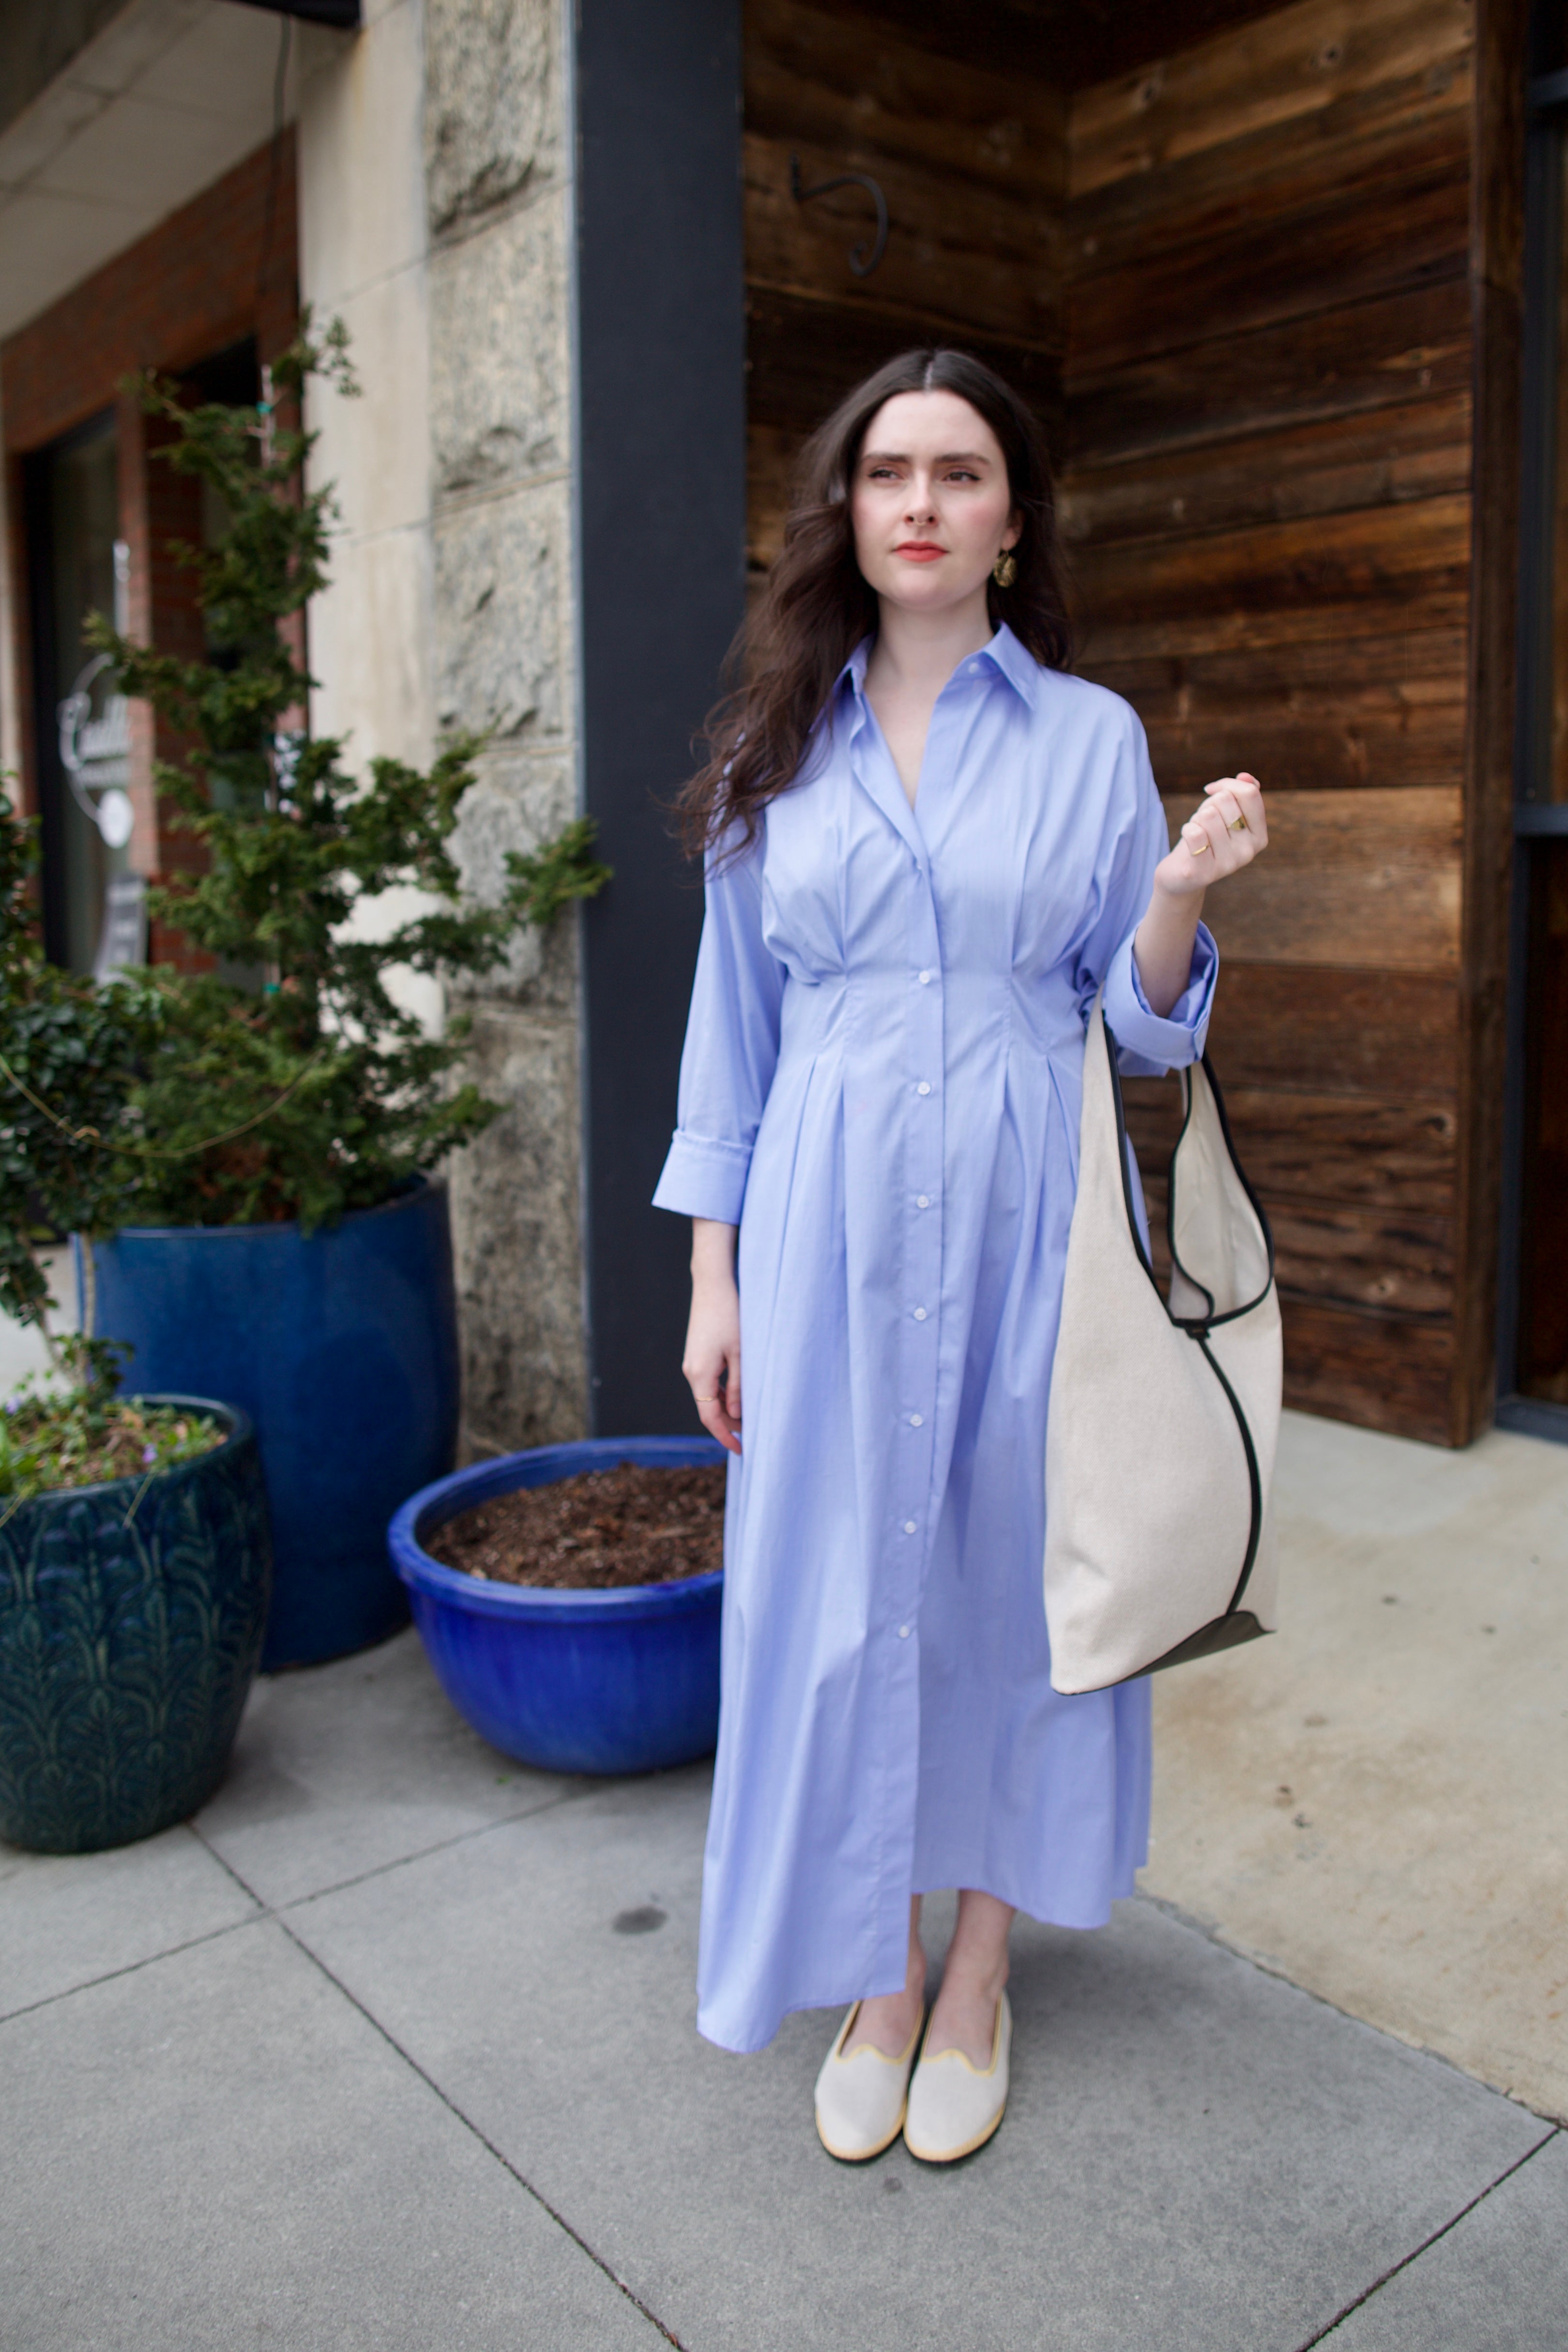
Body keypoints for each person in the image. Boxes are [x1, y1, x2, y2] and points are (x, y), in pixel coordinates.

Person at [653, 348, 1266, 2164]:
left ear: (1012, 520)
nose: (920, 500)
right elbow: (730, 1032)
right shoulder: (780, 742)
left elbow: (1140, 1037)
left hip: (1034, 1216)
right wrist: (713, 1276)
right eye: (888, 470)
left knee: (1015, 1579)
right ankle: (877, 1970)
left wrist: (1176, 894)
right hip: (827, 1229)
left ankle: (978, 1969)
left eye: (963, 472)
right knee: (834, 1597)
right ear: (847, 510)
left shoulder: (1087, 740)